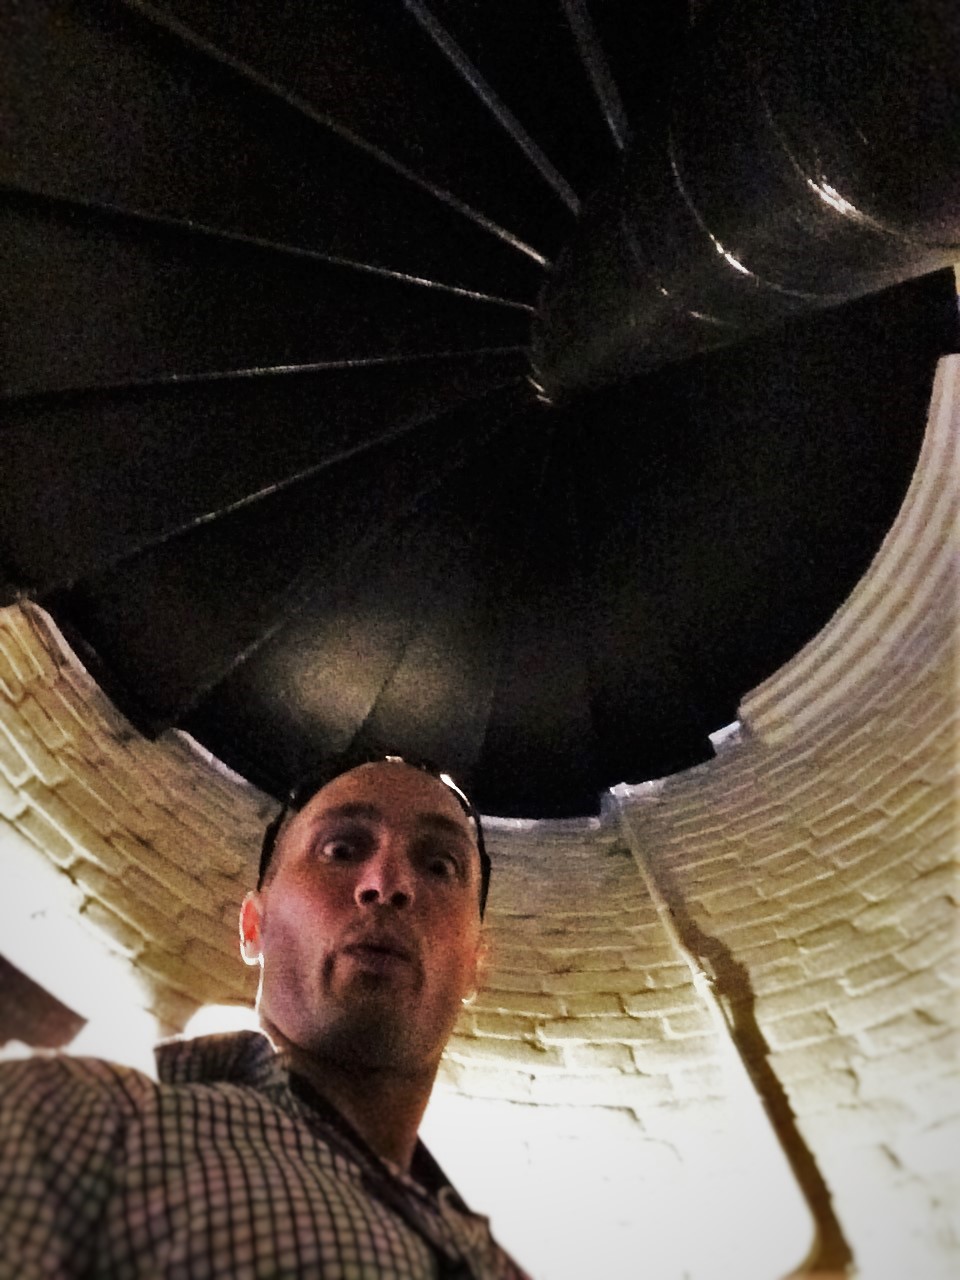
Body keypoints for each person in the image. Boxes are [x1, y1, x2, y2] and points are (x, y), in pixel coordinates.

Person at [0, 756, 530, 1279]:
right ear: (255, 926)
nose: (387, 882)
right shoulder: (78, 1121)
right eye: (341, 849)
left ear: (475, 965)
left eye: (440, 866)